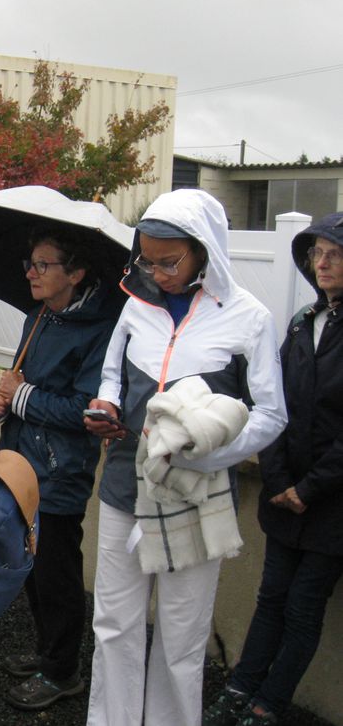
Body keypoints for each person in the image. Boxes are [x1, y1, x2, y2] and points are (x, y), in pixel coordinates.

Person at [83, 189, 287, 726]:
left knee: (181, 633)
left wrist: (207, 459)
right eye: (146, 259)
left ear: (204, 252)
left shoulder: (248, 319)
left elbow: (271, 413)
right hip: (126, 484)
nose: (156, 272)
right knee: (114, 624)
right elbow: (111, 375)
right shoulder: (135, 305)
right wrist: (104, 404)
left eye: (168, 261)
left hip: (194, 497)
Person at [204, 212, 343, 726]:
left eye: (334, 253)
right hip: (286, 492)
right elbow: (275, 404)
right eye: (317, 253)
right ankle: (240, 688)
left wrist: (309, 488)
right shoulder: (304, 321)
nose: (322, 262)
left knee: (304, 606)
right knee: (271, 596)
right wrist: (279, 479)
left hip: (330, 504)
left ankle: (269, 703)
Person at [0, 227, 121, 711]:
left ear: (77, 272)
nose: (31, 272)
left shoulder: (101, 330)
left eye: (44, 265)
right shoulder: (37, 317)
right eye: (31, 263)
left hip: (61, 473)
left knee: (56, 573)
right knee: (28, 565)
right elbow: (21, 383)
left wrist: (20, 396)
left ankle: (64, 671)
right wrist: (4, 400)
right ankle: (48, 651)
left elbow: (86, 411)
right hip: (19, 462)